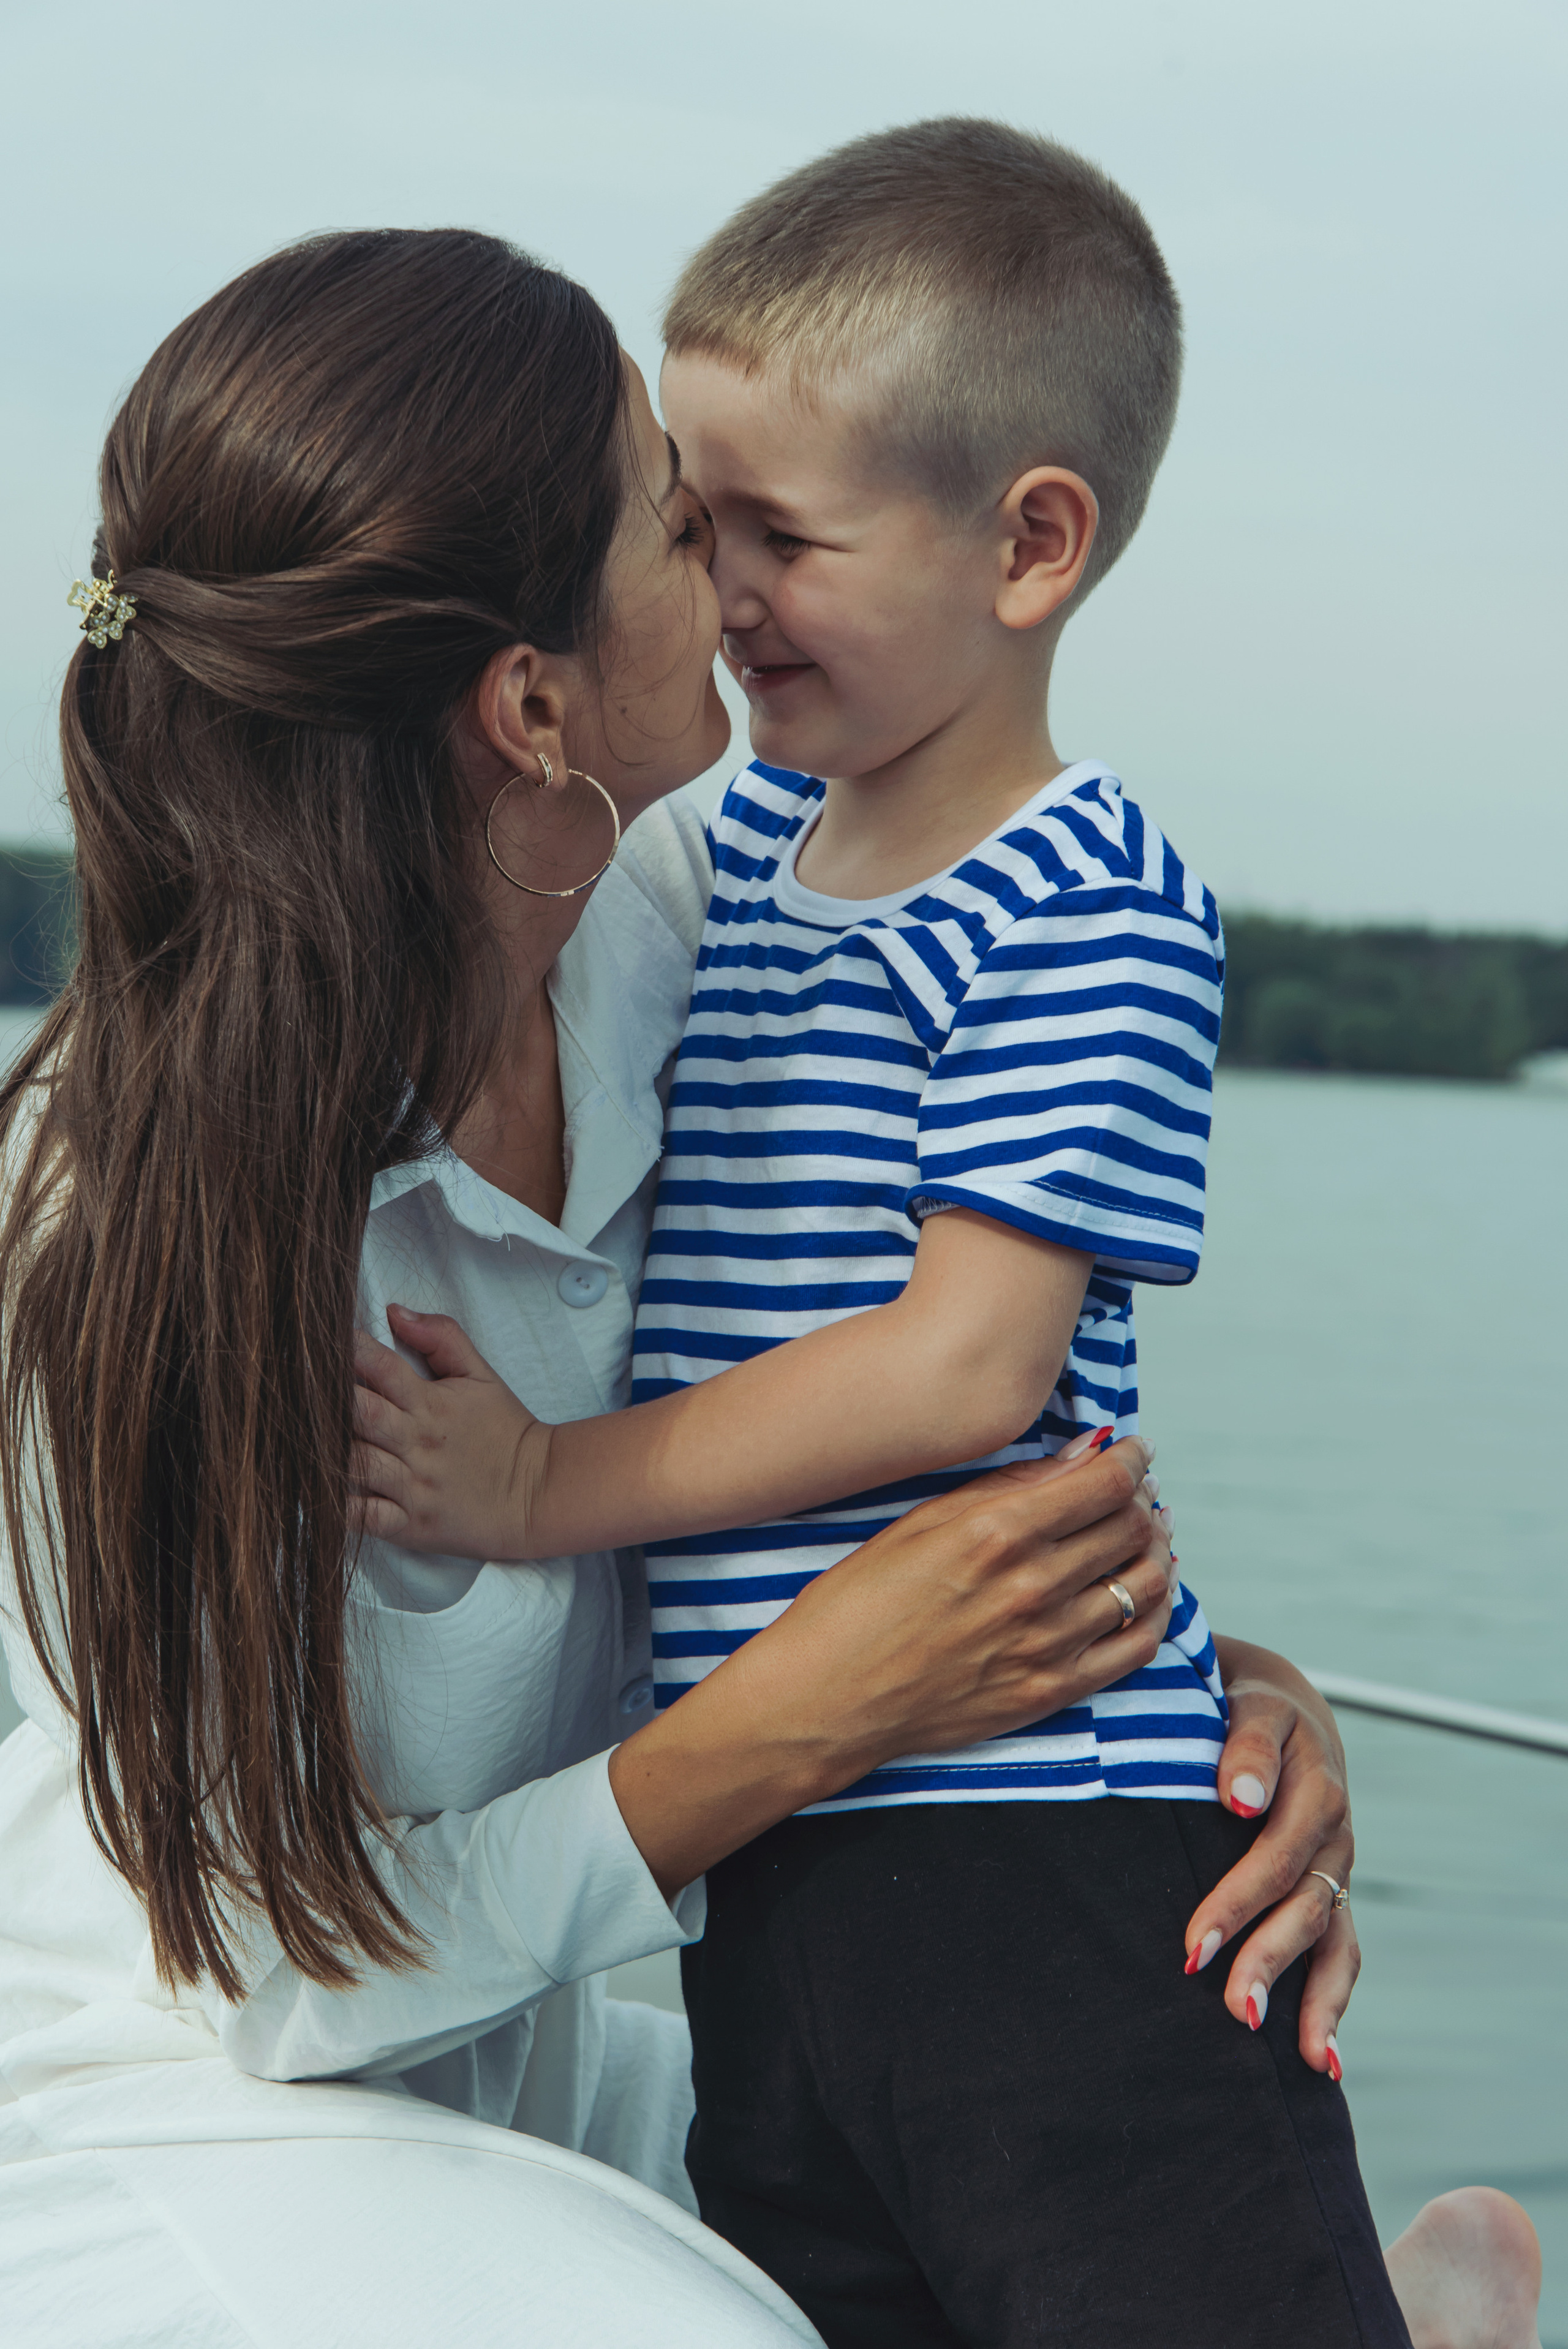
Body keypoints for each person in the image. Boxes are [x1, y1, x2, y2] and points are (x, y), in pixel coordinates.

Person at [0, 222, 1490, 2348]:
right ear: (530, 705)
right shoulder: (117, 1231)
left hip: (543, 2065)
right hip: (208, 2088)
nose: (728, 574)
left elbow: (911, 1398)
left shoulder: (716, 939)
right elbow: (270, 1972)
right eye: (677, 517)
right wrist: (805, 1714)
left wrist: (1193, 1698)